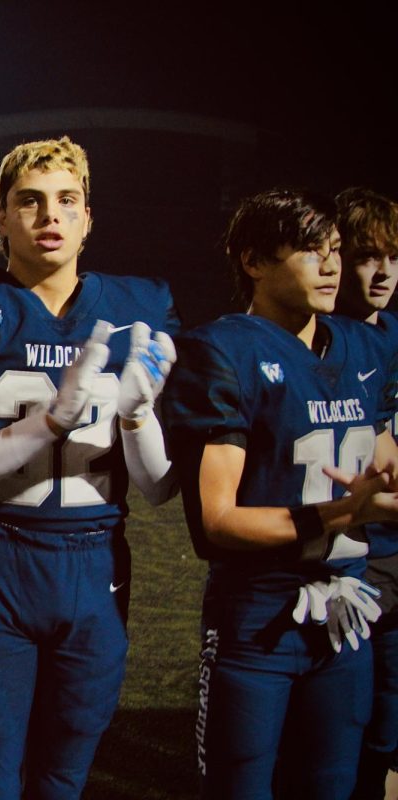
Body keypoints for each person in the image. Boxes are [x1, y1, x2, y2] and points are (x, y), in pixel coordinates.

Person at [0, 135, 180, 799]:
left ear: (89, 217)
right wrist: (43, 424)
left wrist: (135, 416)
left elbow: (158, 489)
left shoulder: (138, 308)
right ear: (0, 219)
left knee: (65, 776)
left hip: (97, 558)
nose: (50, 216)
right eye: (30, 201)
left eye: (68, 201)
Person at [164, 188, 398, 799]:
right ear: (254, 262)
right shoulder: (221, 348)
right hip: (257, 619)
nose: (330, 266)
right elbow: (216, 521)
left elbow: (384, 463)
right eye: (309, 251)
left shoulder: (366, 346)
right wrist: (347, 511)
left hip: (345, 617)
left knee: (332, 786)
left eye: (336, 251)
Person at [333, 188, 398, 800]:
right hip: (346, 560)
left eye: (392, 258)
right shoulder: (318, 339)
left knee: (387, 723)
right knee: (337, 727)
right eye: (366, 256)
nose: (382, 272)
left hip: (395, 553)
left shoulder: (396, 336)